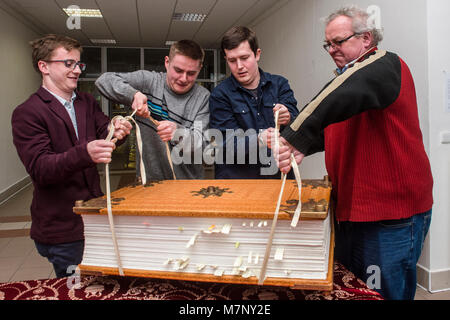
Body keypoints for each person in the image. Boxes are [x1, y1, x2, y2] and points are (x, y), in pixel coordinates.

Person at [274, 6, 433, 300]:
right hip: (352, 211)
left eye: (339, 41)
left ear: (366, 38)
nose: (332, 49)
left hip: (390, 217)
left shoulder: (386, 65)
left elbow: (345, 92)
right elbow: (337, 127)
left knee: (383, 293)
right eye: (328, 44)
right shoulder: (350, 80)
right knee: (355, 290)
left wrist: (294, 134)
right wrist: (302, 148)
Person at [11, 34, 131, 278]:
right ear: (43, 66)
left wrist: (118, 130)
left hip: (94, 220)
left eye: (78, 64)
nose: (77, 70)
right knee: (78, 290)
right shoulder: (28, 112)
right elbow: (41, 169)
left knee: (103, 286)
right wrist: (85, 153)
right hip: (62, 228)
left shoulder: (86, 101)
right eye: (68, 63)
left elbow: (105, 132)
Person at [95, 40, 210, 181]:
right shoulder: (148, 81)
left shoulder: (203, 97)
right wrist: (133, 95)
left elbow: (203, 148)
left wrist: (178, 133)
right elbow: (104, 80)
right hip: (148, 181)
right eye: (178, 70)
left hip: (188, 184)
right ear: (167, 63)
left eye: (191, 73)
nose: (183, 79)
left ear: (200, 69)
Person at [209, 26, 299, 179]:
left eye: (244, 58)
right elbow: (224, 145)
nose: (239, 66)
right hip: (237, 183)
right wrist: (259, 139)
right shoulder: (220, 94)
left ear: (257, 54)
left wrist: (288, 116)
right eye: (232, 60)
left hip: (277, 179)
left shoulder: (280, 84)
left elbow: (299, 127)